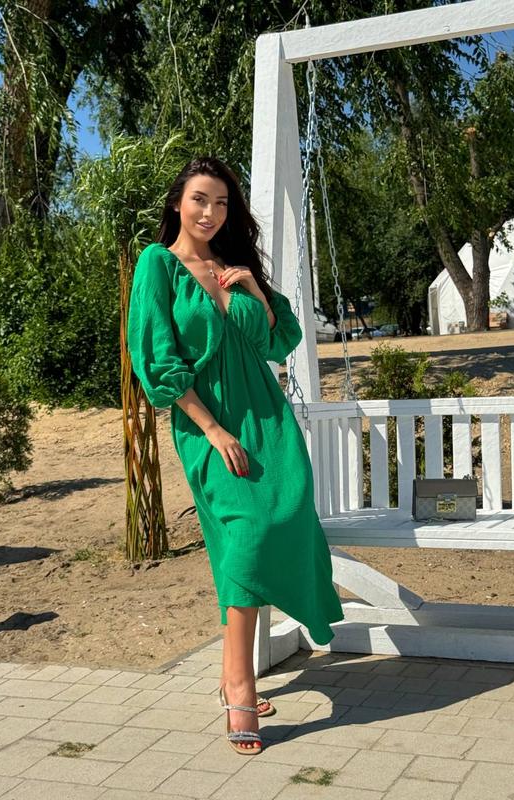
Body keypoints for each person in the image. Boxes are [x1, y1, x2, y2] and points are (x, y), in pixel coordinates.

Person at [127, 156, 343, 755]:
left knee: (277, 520)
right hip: (208, 423)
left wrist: (252, 290)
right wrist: (214, 431)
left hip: (266, 417)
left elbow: (278, 340)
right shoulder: (157, 265)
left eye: (221, 203)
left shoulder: (231, 266)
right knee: (247, 533)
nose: (210, 212)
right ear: (178, 202)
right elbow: (157, 361)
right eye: (200, 199)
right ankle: (240, 682)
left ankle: (232, 679)